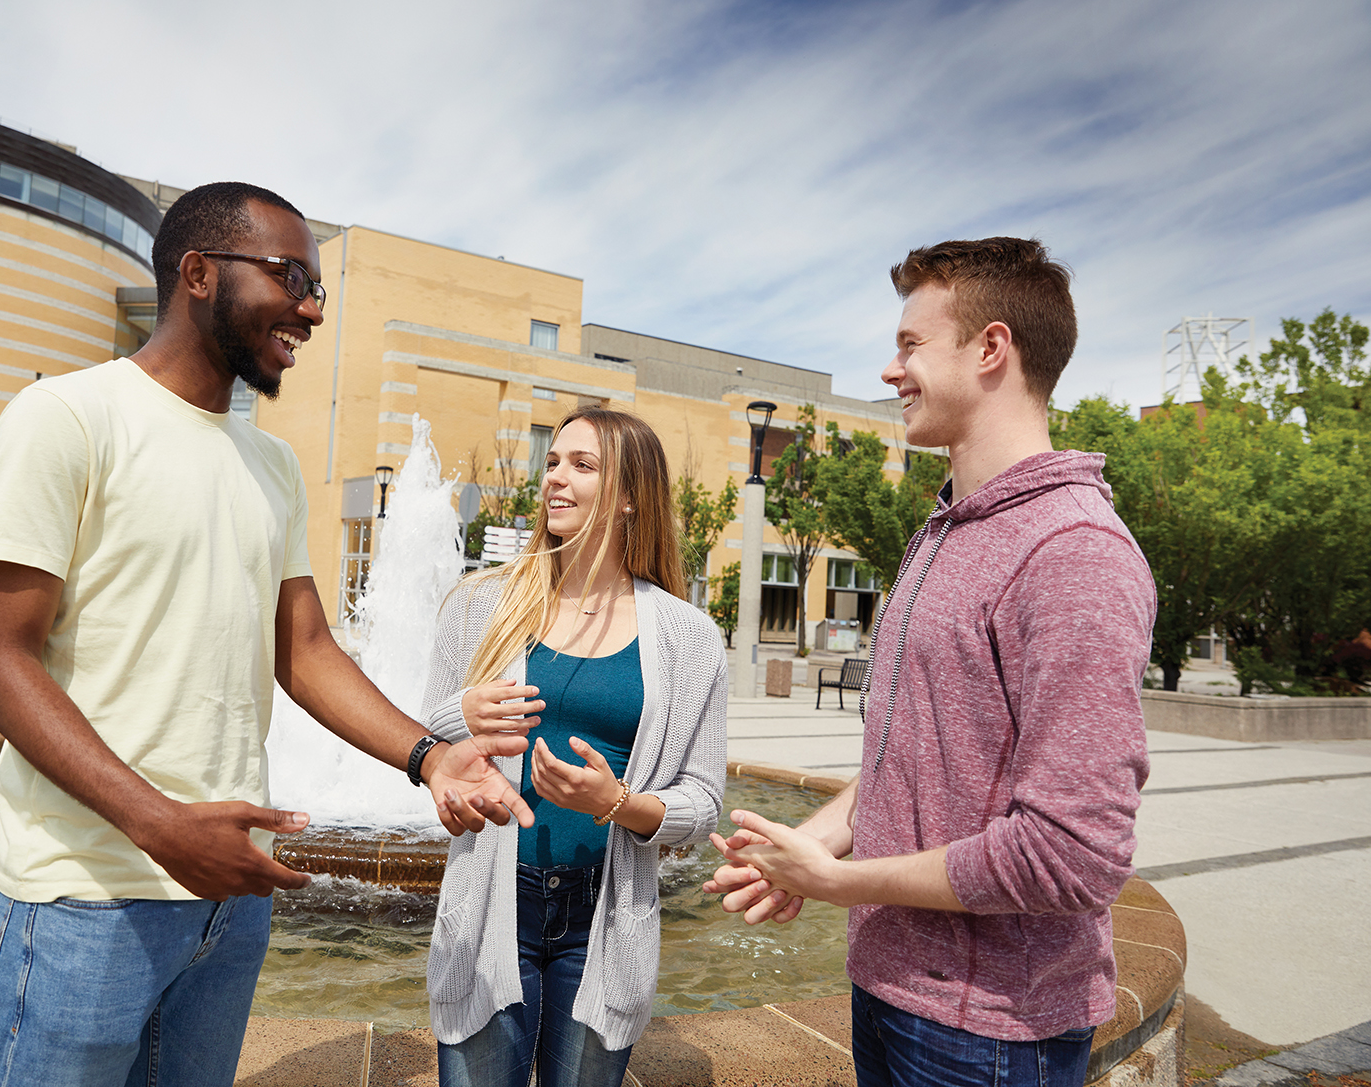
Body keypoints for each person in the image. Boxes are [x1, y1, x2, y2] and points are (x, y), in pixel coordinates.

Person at [0, 181, 533, 1087]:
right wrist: (159, 824)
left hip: (229, 901)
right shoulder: (67, 417)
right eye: (289, 276)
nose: (308, 307)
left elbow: (303, 649)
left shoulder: (269, 461)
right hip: (85, 894)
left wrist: (430, 756)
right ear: (197, 272)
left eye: (317, 288)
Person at [707, 237, 1156, 1087]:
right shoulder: (951, 528)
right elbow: (912, 757)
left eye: (911, 344)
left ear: (991, 348)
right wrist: (807, 845)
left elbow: (1074, 856)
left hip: (986, 1032)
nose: (889, 370)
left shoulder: (1074, 552)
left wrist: (840, 881)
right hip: (892, 992)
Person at [421, 407, 728, 1087]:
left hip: (604, 917)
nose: (555, 478)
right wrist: (459, 716)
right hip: (491, 904)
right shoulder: (479, 605)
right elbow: (426, 750)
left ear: (627, 497)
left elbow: (704, 802)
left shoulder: (689, 638)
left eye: (581, 465)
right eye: (553, 461)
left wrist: (616, 802)